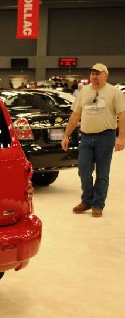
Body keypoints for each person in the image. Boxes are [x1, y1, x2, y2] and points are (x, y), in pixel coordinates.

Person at [61, 63, 125, 217]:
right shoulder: (83, 92)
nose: (94, 76)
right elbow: (76, 115)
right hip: (86, 137)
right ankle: (86, 201)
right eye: (92, 74)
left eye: (98, 73)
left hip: (106, 137)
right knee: (83, 170)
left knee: (102, 173)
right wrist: (66, 135)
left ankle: (98, 204)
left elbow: (122, 115)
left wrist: (121, 137)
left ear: (105, 75)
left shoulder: (114, 92)